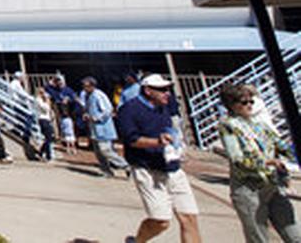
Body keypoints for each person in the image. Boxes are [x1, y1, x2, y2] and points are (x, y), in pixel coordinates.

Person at [119, 73, 201, 243]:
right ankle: (138, 241)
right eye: (162, 90)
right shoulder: (129, 110)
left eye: (168, 89)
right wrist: (157, 142)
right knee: (161, 221)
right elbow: (131, 140)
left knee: (189, 218)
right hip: (148, 170)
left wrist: (175, 144)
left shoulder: (163, 106)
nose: (167, 93)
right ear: (148, 90)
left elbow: (169, 128)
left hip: (172, 167)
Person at [218, 82, 301, 243]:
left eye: (251, 101)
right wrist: (268, 162)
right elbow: (237, 159)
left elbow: (282, 146)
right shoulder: (228, 126)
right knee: (259, 238)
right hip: (249, 190)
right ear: (232, 104)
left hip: (273, 186)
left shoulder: (259, 125)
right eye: (244, 102)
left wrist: (292, 155)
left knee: (295, 235)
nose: (249, 105)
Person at [81, 76, 128, 178]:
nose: (84, 88)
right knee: (99, 152)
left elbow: (107, 110)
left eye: (86, 86)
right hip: (94, 129)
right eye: (84, 86)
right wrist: (86, 115)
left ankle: (125, 165)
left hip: (103, 128)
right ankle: (106, 171)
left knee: (105, 150)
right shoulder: (87, 96)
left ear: (92, 86)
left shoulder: (98, 95)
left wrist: (96, 118)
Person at [35, 86, 56, 161]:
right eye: (41, 92)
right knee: (48, 137)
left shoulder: (43, 100)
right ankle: (48, 155)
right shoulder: (38, 100)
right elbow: (45, 108)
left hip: (47, 119)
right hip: (43, 119)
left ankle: (41, 153)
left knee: (49, 138)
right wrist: (47, 101)